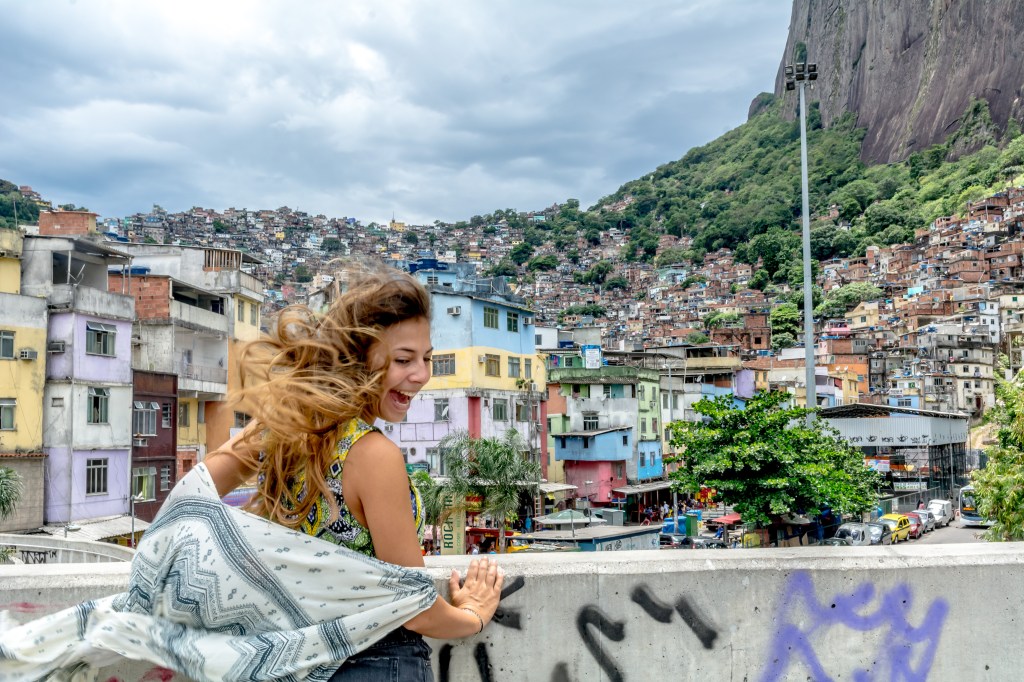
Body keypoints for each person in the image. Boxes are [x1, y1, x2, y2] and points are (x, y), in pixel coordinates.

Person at [206, 263, 503, 681]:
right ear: (358, 356)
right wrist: (473, 614)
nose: (420, 375)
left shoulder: (282, 427)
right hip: (375, 663)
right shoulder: (373, 454)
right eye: (403, 359)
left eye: (427, 358)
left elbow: (190, 496)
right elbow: (413, 607)